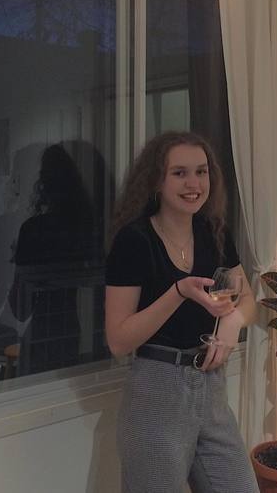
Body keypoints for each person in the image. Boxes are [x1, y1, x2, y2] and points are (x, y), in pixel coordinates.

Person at [105, 131, 259, 493]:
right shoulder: (134, 240)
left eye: (201, 172)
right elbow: (118, 340)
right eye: (179, 173)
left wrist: (232, 323)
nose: (194, 184)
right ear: (156, 181)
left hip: (211, 387)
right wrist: (178, 292)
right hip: (156, 390)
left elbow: (248, 300)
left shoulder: (212, 231)